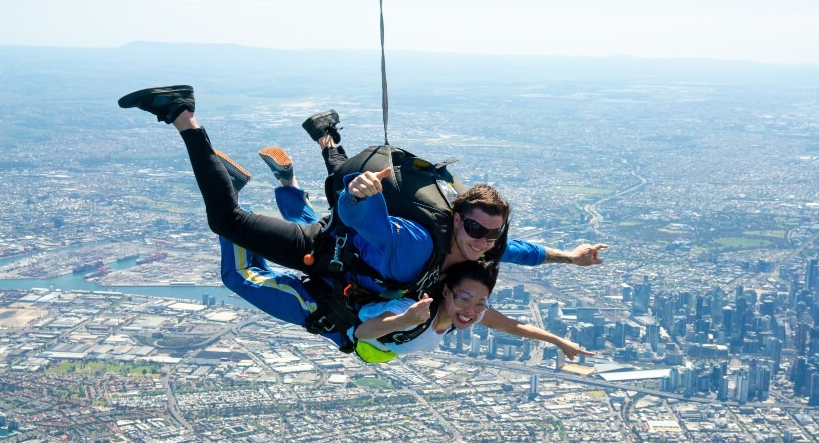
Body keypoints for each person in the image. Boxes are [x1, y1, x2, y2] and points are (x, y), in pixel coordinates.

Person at [117, 85, 608, 295]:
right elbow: (361, 221)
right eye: (476, 228)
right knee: (228, 222)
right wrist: (360, 195)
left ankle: (327, 136)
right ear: (457, 217)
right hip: (327, 245)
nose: (484, 240)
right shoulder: (417, 247)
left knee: (338, 176)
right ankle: (183, 115)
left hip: (348, 240)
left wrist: (571, 257)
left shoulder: (482, 249)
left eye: (490, 235)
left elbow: (520, 251)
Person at [217, 176, 591, 363]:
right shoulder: (419, 311)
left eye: (480, 305)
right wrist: (403, 320)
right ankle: (232, 206)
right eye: (469, 300)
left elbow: (514, 321)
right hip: (331, 316)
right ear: (446, 291)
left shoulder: (466, 307)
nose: (473, 311)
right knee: (241, 276)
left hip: (345, 298)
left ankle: (287, 186)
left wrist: (557, 340)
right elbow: (364, 330)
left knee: (323, 237)